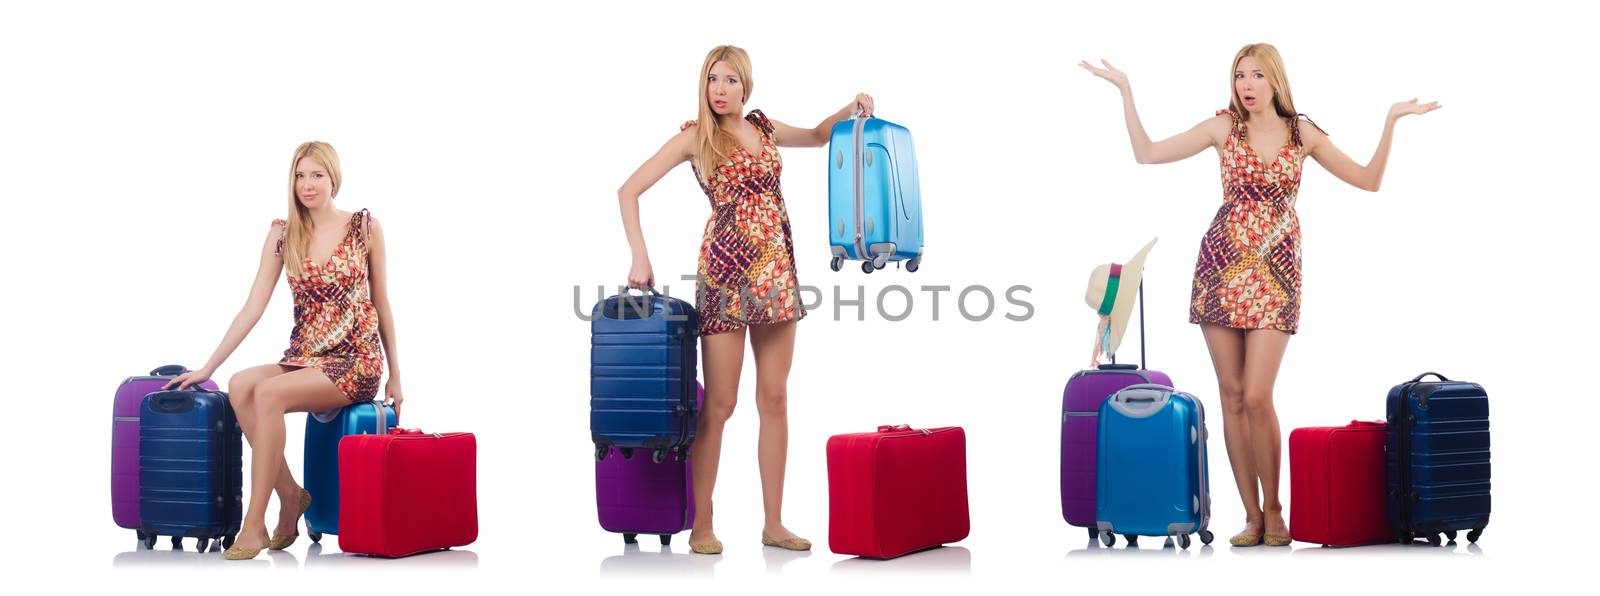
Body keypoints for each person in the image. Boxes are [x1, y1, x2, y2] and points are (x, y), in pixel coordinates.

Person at [1080, 43, 1439, 546]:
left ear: (1275, 80)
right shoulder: (1223, 127)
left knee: (1256, 394)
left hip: (1276, 272)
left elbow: (1369, 180)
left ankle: (1275, 509)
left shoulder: (1303, 133)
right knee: (1230, 395)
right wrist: (1125, 90)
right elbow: (1147, 153)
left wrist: (1392, 120)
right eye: (1239, 76)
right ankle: (1250, 515)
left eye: (1255, 76)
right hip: (1221, 268)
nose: (1246, 85)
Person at [616, 44, 874, 555]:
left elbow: (822, 137)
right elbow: (628, 190)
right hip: (725, 274)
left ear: (745, 85)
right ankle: (702, 524)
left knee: (775, 398)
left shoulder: (765, 127)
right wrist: (639, 257)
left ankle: (774, 523)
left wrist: (851, 109)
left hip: (777, 272)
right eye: (713, 79)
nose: (720, 88)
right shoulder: (694, 138)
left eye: (730, 79)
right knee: (721, 403)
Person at [166, 141, 404, 560]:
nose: (307, 185)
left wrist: (397, 375)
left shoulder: (365, 227)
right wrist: (208, 366)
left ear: (334, 178)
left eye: (317, 175)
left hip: (354, 361)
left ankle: (256, 524)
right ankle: (291, 495)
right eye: (299, 176)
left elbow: (382, 302)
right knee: (241, 386)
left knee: (269, 394)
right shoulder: (283, 233)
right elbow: (252, 307)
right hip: (304, 357)